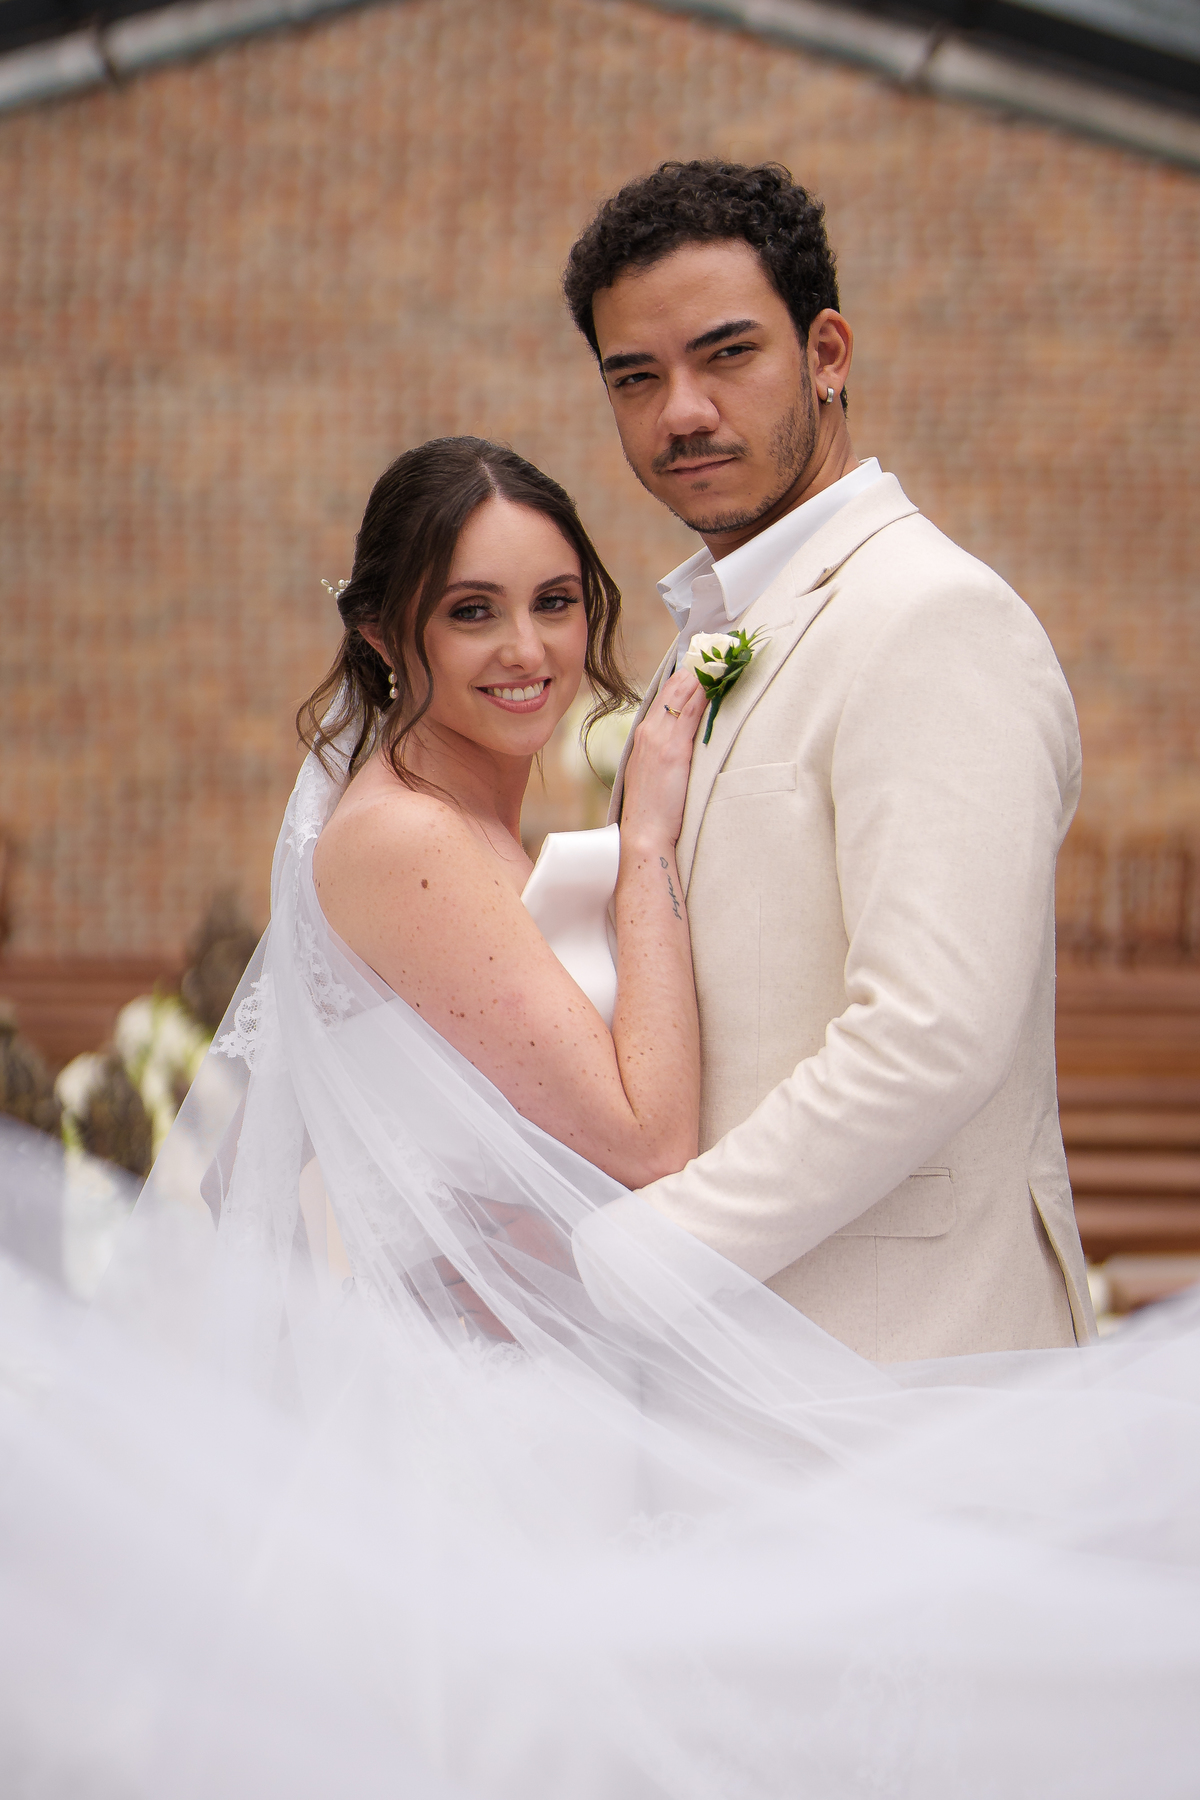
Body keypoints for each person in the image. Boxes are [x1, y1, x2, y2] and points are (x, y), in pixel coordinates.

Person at [1, 436, 1197, 1798]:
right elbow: (642, 1139)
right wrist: (644, 849)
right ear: (386, 634)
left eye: (556, 601)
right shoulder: (404, 841)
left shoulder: (474, 825)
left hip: (556, 1405)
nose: (528, 649)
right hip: (473, 1448)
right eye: (474, 610)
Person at [563, 160, 1094, 1361]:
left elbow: (929, 1033)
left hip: (902, 1377)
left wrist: (637, 1257)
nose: (680, 411)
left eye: (727, 355)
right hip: (736, 1382)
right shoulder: (714, 629)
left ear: (828, 354)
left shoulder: (930, 617)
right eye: (635, 377)